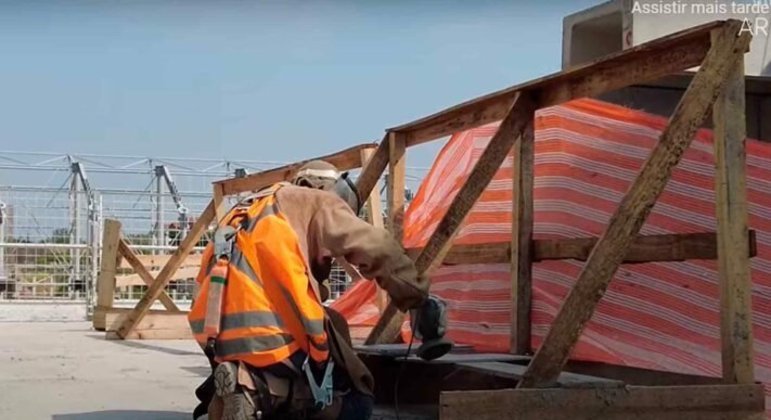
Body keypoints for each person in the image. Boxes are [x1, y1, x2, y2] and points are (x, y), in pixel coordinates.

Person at [188, 160, 430, 420]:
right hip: (271, 333)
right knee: (357, 398)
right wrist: (416, 296)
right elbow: (377, 248)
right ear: (315, 185)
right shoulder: (311, 200)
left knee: (325, 330)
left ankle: (239, 389)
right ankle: (262, 394)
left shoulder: (245, 210)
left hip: (217, 340)